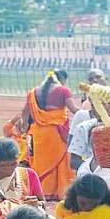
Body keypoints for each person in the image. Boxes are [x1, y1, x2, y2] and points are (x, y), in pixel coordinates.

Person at [22, 69, 78, 200]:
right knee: (60, 163)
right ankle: (59, 192)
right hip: (56, 133)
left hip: (39, 133)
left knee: (41, 162)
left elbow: (25, 113)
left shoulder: (33, 92)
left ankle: (42, 191)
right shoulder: (63, 90)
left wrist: (25, 128)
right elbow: (74, 109)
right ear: (62, 79)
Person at [0, 138, 44, 206]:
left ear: (19, 156)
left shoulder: (29, 175)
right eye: (2, 166)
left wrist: (37, 204)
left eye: (13, 164)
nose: (8, 169)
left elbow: (42, 203)